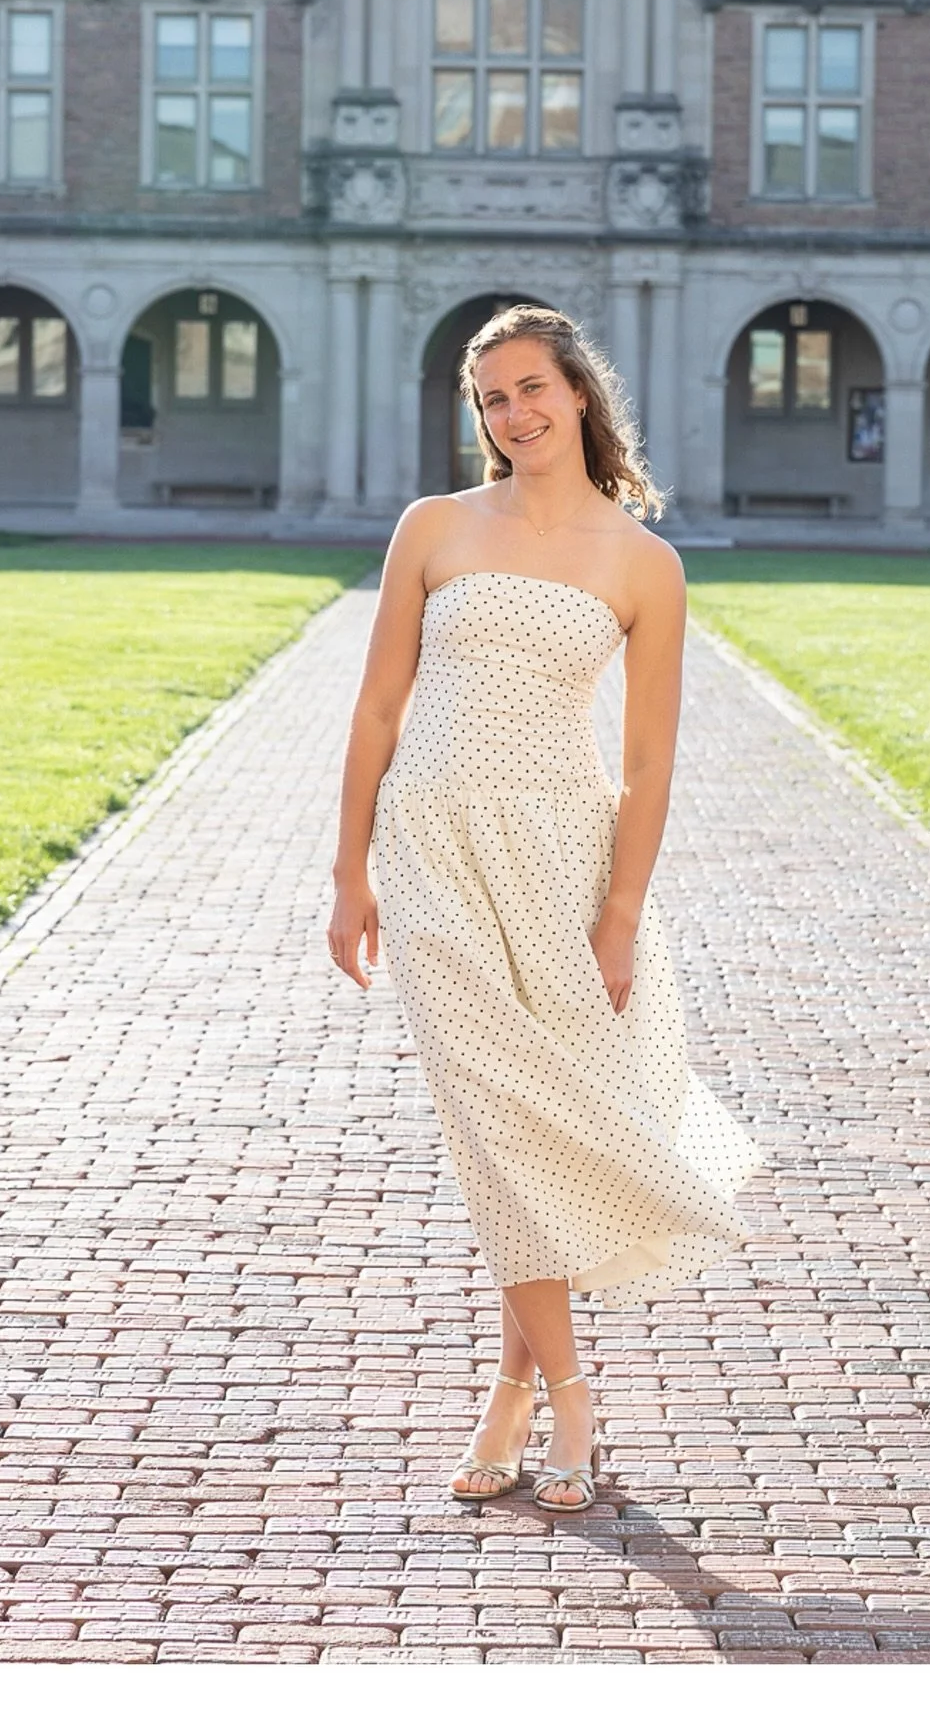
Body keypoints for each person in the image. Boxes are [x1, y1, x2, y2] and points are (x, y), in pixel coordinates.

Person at [327, 304, 764, 1512]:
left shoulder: (643, 563)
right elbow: (374, 711)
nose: (513, 416)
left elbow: (650, 762)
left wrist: (620, 916)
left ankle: (511, 1390)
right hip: (431, 849)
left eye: (530, 390)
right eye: (491, 401)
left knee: (543, 1125)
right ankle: (571, 1396)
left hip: (565, 861)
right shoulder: (434, 527)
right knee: (493, 1121)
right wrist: (347, 869)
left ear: (580, 393)